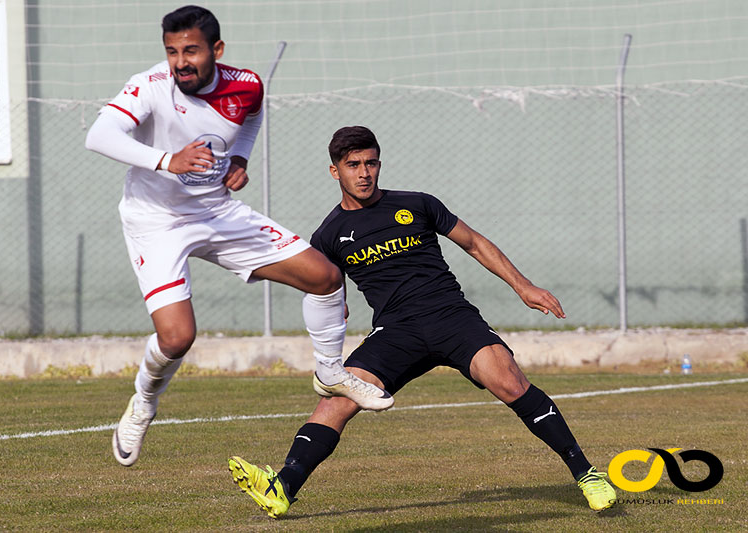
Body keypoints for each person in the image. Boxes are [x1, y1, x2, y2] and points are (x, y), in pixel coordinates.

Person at [228, 125, 616, 517]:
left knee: (509, 381)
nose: (364, 173)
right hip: (395, 333)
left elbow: (474, 242)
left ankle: (586, 474)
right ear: (336, 172)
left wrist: (523, 286)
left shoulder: (417, 204)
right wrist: (334, 303)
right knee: (335, 404)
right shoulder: (328, 235)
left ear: (379, 164)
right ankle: (283, 487)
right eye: (353, 165)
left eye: (371, 163)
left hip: (451, 316)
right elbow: (325, 286)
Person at [85, 7, 393, 468]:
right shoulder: (151, 85)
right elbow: (99, 135)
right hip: (156, 220)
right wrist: (168, 160)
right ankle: (144, 402)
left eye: (190, 50)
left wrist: (241, 158)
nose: (179, 62)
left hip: (217, 212)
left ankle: (331, 372)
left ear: (217, 50)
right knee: (176, 338)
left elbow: (250, 116)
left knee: (326, 276)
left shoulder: (246, 84)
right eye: (171, 51)